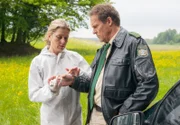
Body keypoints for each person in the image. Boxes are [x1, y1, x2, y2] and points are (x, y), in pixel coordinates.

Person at [59, 3, 159, 125]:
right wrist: (74, 80)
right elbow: (94, 84)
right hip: (93, 115)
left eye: (95, 26)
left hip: (114, 119)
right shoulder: (103, 50)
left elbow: (149, 83)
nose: (93, 32)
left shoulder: (134, 43)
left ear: (109, 21)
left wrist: (124, 111)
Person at [28, 19, 91, 125]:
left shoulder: (75, 58)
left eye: (66, 38)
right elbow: (33, 94)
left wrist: (80, 75)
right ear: (49, 36)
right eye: (59, 37)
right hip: (51, 120)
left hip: (74, 119)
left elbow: (93, 80)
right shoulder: (38, 62)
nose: (63, 41)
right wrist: (51, 89)